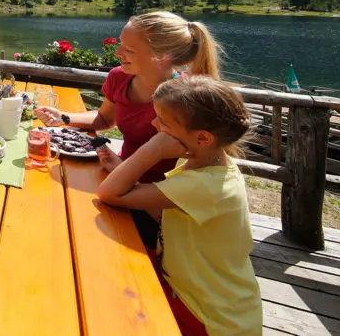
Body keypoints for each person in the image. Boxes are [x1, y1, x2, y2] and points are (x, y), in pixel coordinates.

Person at [35, 11, 222, 249]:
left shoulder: (185, 98)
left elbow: (200, 169)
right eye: (121, 45)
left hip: (157, 202)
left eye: (129, 50)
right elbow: (104, 118)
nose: (118, 53)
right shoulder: (119, 78)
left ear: (161, 56)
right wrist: (63, 117)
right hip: (115, 175)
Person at [97, 75, 262, 336]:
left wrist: (153, 148)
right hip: (196, 295)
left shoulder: (205, 183)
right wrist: (122, 168)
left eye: (162, 121)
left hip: (209, 316)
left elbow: (109, 193)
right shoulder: (209, 168)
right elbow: (163, 210)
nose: (154, 123)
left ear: (203, 138)